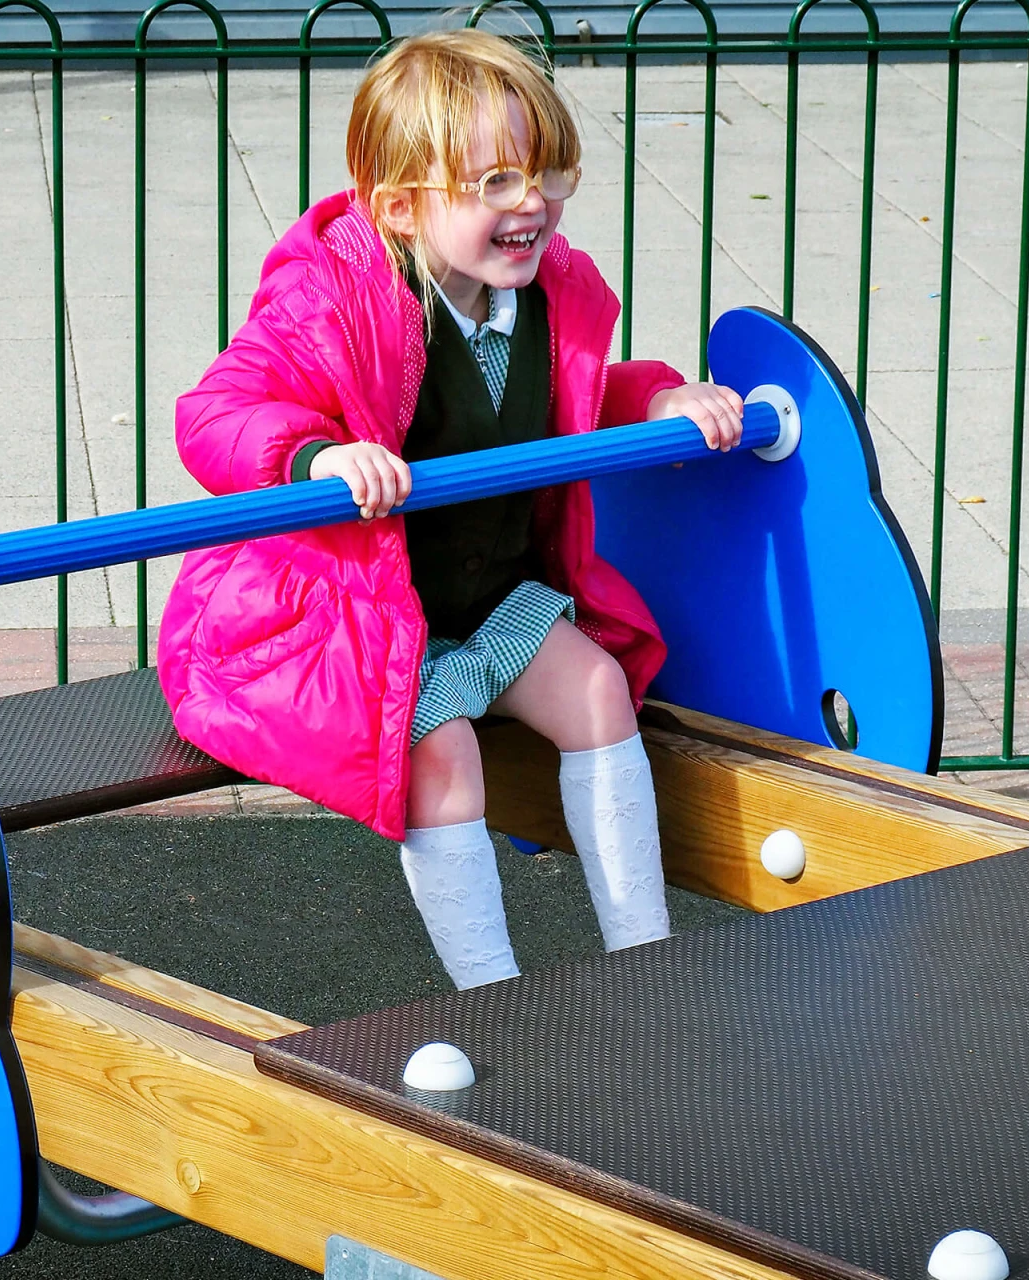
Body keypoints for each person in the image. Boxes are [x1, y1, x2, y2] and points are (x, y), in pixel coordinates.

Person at [157, 27, 745, 988]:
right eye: (497, 183)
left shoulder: (546, 297)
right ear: (400, 205)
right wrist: (316, 453)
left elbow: (576, 398)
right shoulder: (332, 299)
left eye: (551, 172)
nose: (535, 205)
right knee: (443, 753)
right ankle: (492, 993)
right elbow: (214, 413)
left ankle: (647, 963)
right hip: (350, 617)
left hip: (483, 602)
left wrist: (659, 401)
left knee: (598, 689)